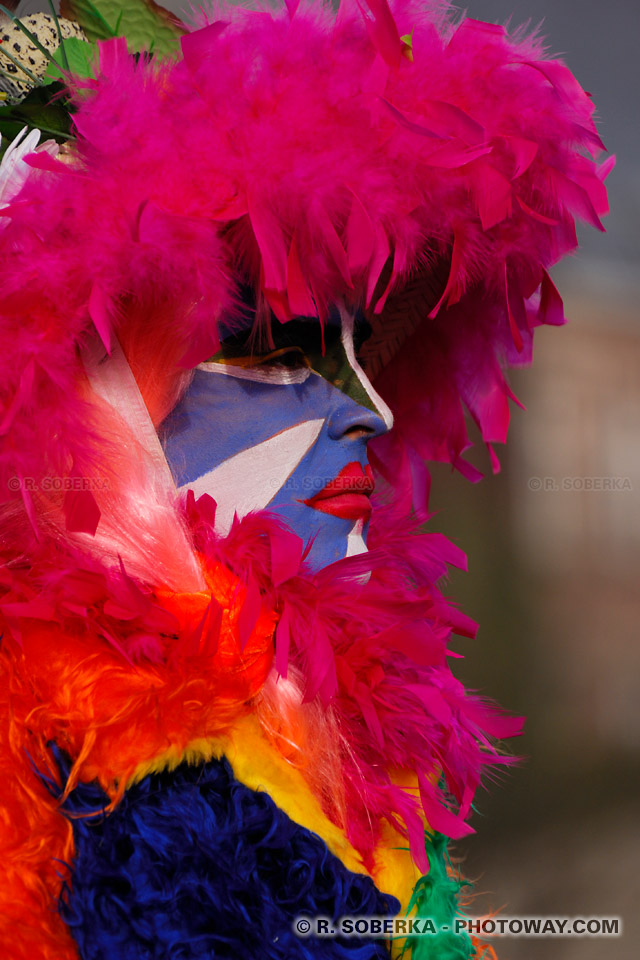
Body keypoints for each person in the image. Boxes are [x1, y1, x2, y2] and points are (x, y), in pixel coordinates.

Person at [0, 2, 610, 958]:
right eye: (266, 335)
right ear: (88, 389)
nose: (368, 412)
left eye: (358, 346)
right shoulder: (88, 813)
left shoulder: (333, 766)